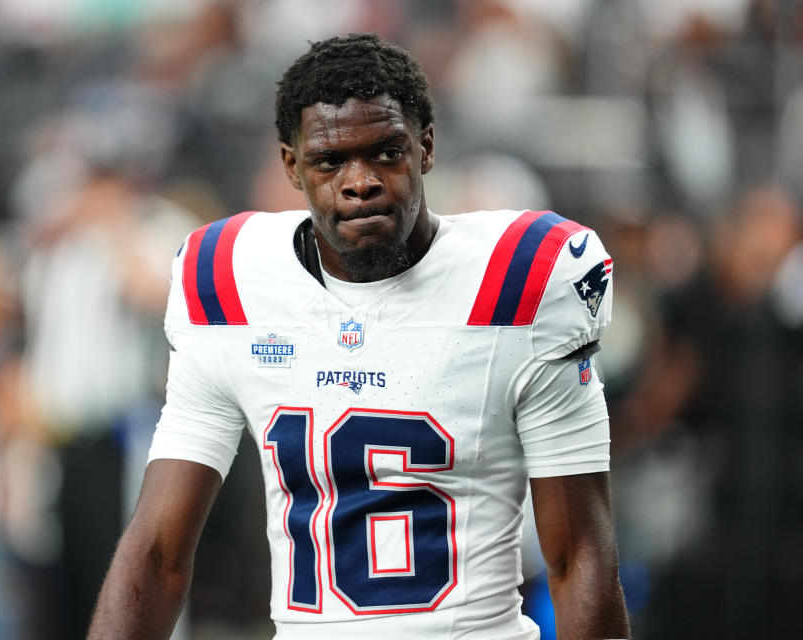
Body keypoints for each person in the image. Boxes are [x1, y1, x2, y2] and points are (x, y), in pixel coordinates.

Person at [88, 33, 630, 640]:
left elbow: (578, 554)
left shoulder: (523, 282)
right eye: (330, 161)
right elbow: (157, 550)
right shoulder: (231, 283)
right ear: (292, 166)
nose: (360, 182)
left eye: (385, 152)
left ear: (425, 147)